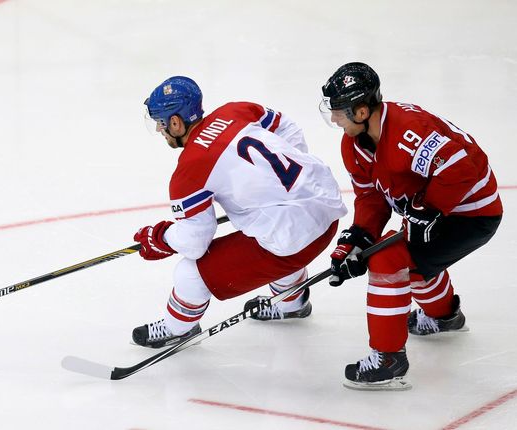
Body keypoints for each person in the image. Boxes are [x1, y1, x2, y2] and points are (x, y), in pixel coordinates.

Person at [320, 62, 503, 390]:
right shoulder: (354, 146)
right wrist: (356, 240)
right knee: (407, 259)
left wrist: (429, 208)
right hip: (440, 211)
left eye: (340, 112)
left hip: (470, 213)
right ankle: (444, 316)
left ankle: (388, 360)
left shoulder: (408, 131)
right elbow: (371, 199)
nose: (334, 119)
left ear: (362, 112)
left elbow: (465, 165)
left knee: (390, 258)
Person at [131, 76, 347, 348]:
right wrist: (280, 187)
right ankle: (291, 302)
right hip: (326, 211)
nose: (161, 130)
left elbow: (195, 242)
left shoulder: (190, 169)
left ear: (176, 122)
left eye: (161, 123)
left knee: (190, 273)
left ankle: (179, 328)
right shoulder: (236, 110)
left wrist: (160, 237)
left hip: (295, 243)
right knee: (273, 230)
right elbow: (287, 127)